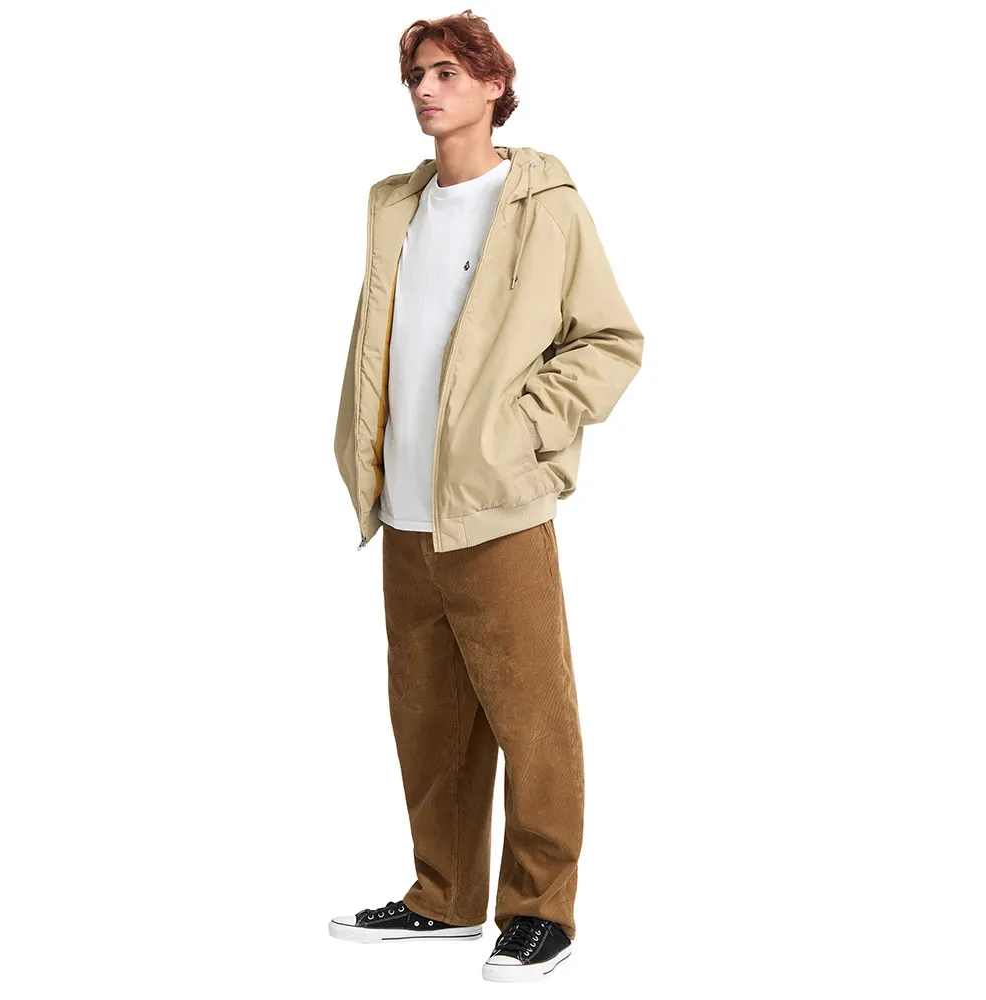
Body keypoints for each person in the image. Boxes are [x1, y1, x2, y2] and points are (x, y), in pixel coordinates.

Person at [330, 9, 643, 983]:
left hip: (498, 510)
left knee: (532, 720)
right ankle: (443, 896)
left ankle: (542, 909)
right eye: (416, 76)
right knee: (428, 722)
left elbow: (610, 340)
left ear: (493, 85)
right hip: (405, 512)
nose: (426, 90)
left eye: (446, 73)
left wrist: (522, 430)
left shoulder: (544, 203)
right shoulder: (397, 206)